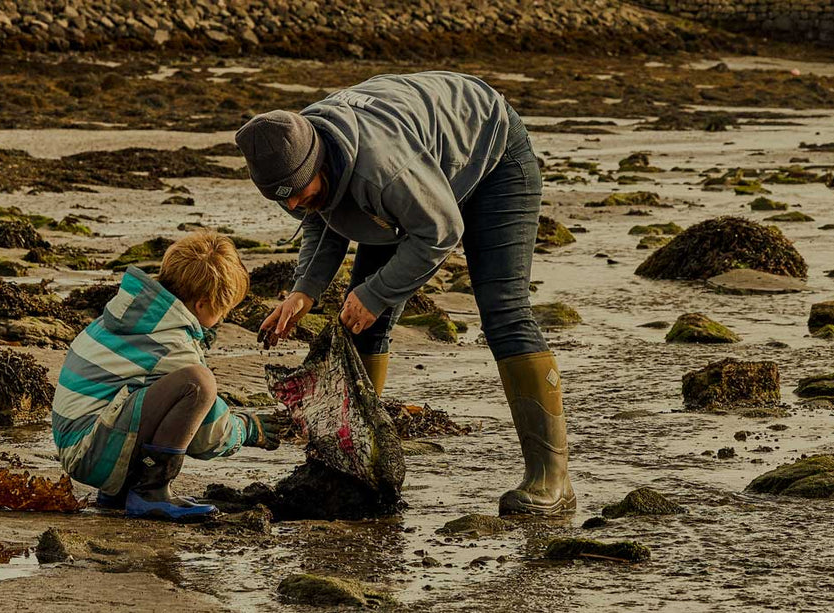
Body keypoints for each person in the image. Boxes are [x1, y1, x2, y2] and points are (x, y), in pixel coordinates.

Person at [235, 71, 575, 516]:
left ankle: (551, 480)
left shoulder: (383, 168)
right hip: (419, 172)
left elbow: (440, 231)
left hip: (492, 157)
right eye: (284, 201)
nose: (294, 206)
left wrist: (377, 294)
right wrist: (305, 291)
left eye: (299, 192)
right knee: (356, 322)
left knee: (503, 312)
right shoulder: (293, 153)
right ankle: (355, 463)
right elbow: (324, 213)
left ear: (318, 162)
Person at [51, 232, 283, 521]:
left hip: (80, 441)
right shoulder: (170, 341)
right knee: (198, 384)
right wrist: (248, 429)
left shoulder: (138, 316)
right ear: (201, 304)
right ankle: (151, 491)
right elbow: (206, 435)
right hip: (89, 452)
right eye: (222, 311)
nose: (222, 319)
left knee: (176, 386)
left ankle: (121, 491)